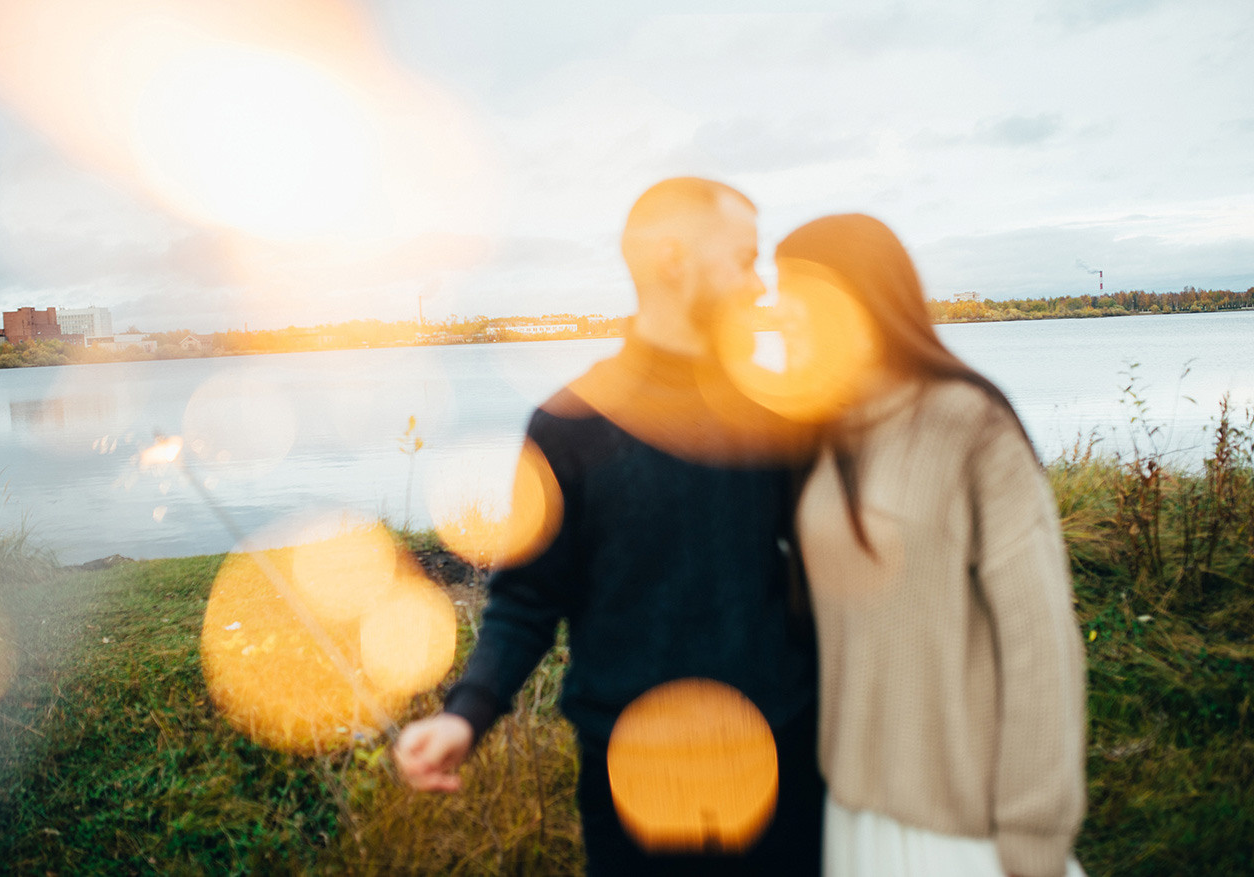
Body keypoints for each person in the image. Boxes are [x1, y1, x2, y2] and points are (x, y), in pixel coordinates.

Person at [393, 178, 825, 875]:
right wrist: (464, 713)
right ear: (672, 257)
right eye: (744, 258)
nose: (759, 284)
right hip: (635, 784)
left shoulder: (777, 413)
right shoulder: (570, 424)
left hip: (782, 765)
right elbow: (528, 597)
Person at [777, 214, 1087, 877]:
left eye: (800, 297)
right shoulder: (817, 438)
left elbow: (1041, 645)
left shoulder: (971, 424)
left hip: (962, 824)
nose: (783, 316)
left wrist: (1035, 830)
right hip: (850, 813)